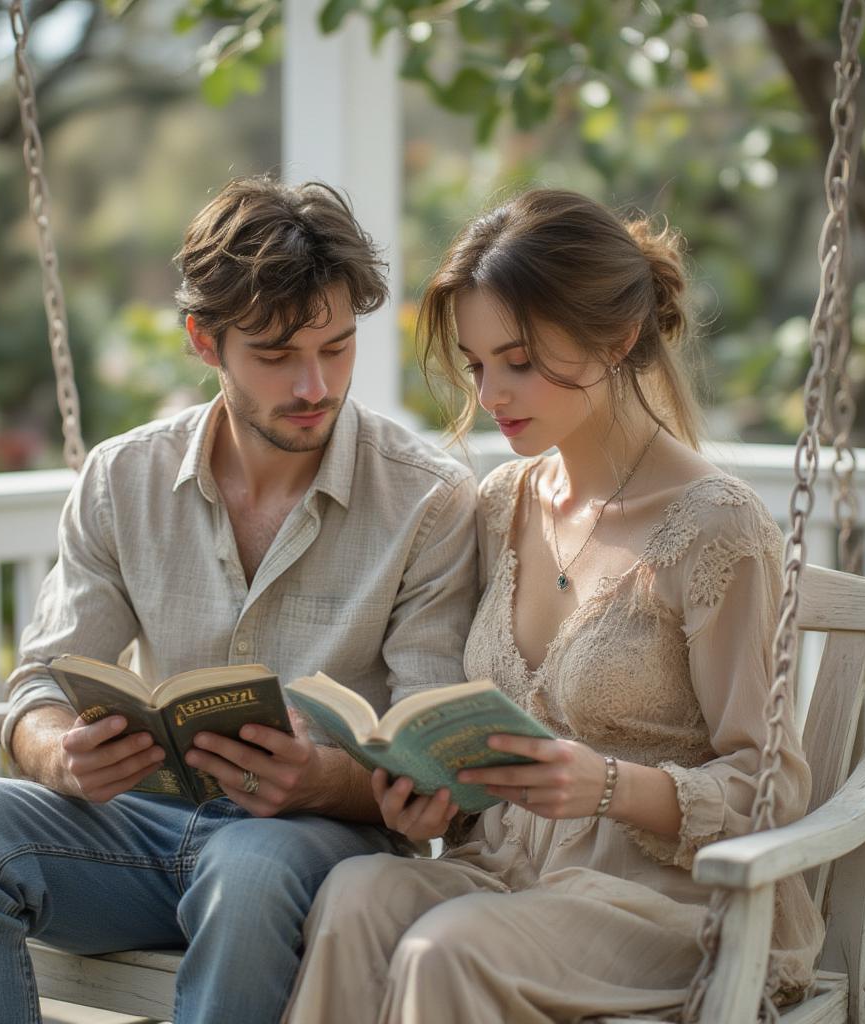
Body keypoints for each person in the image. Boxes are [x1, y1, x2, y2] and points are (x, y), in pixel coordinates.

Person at [0, 177, 478, 1024]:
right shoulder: (122, 478)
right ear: (206, 340)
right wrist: (60, 754)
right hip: (139, 835)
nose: (315, 385)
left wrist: (324, 777)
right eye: (276, 356)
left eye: (338, 348)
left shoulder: (428, 500)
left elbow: (426, 750)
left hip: (312, 848)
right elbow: (41, 685)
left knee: (250, 870)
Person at [285, 188, 825, 1023]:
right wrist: (431, 793)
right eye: (476, 364)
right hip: (508, 874)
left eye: (521, 360)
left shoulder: (717, 529)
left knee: (448, 947)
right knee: (356, 894)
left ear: (618, 337)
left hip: (668, 902)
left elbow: (771, 787)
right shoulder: (503, 504)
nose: (493, 391)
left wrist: (609, 785)